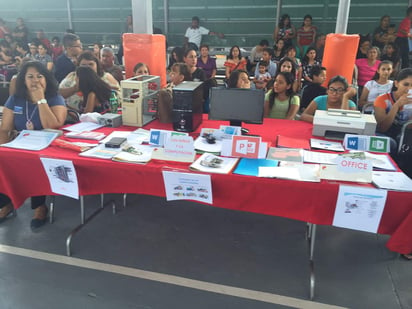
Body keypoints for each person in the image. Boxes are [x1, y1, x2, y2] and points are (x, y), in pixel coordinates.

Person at [0, 61, 67, 228]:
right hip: (19, 145)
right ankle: (6, 203)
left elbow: (52, 126)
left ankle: (39, 206)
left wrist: (41, 100)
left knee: (34, 162)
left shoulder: (55, 98)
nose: (35, 80)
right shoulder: (15, 99)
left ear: (46, 79)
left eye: (39, 76)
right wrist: (4, 150)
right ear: (23, 80)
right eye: (30, 77)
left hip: (46, 148)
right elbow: (5, 129)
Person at [374, 68, 412, 142]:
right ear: (396, 84)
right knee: (391, 143)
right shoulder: (382, 99)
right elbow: (382, 128)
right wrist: (396, 106)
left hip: (406, 136)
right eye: (406, 84)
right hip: (386, 135)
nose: (409, 88)